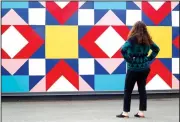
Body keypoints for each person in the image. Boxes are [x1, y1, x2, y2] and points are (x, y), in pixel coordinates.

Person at [116, 21, 160, 118]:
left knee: (128, 90)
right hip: (145, 68)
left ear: (134, 28)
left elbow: (123, 50)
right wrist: (149, 58)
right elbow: (157, 49)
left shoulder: (132, 39)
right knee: (142, 89)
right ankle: (141, 112)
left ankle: (125, 113)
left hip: (133, 69)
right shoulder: (148, 39)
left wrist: (129, 59)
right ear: (145, 29)